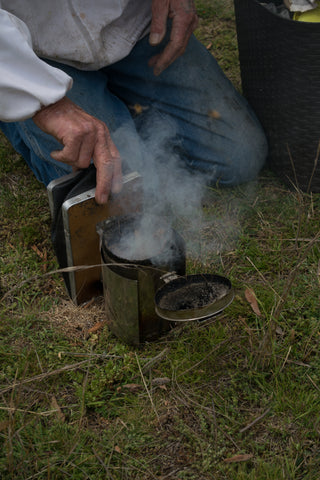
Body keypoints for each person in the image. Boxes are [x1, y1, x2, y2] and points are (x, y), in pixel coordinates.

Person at [0, 0, 268, 206]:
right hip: (31, 51)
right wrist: (40, 98)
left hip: (136, 26)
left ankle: (113, 108)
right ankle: (15, 107)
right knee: (122, 193)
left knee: (240, 156)